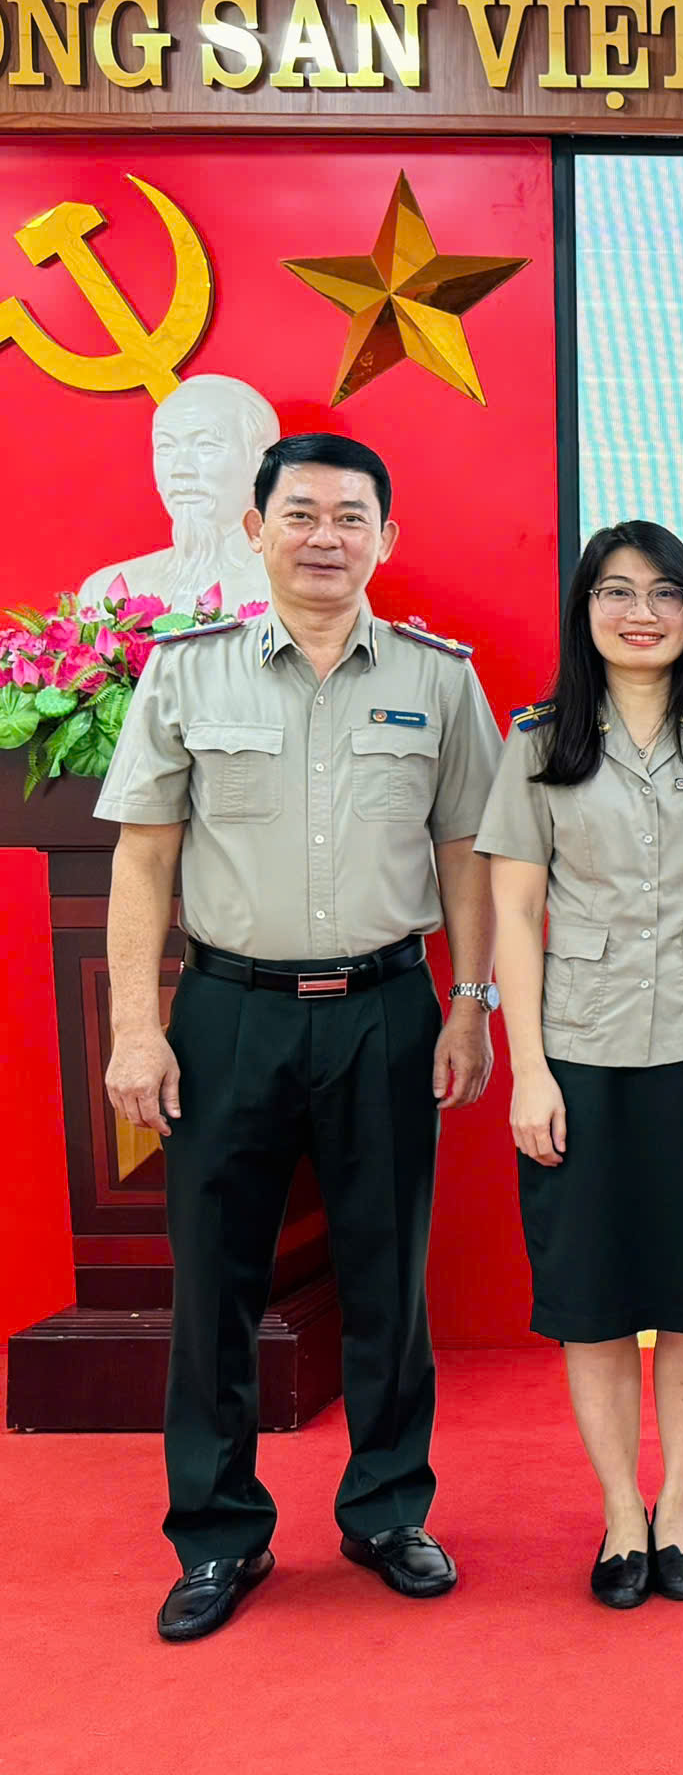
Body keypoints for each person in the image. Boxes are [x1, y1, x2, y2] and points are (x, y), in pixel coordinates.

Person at [97, 432, 502, 1643]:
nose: (326, 537)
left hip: (387, 1008)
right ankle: (218, 1532)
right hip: (230, 1014)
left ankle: (387, 1511)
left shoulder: (439, 679)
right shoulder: (186, 672)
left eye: (351, 516)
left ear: (387, 536)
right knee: (215, 1281)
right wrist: (137, 1028)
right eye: (302, 513)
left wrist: (470, 1002)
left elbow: (468, 853)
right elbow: (143, 861)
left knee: (389, 1275)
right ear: (257, 529)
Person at [477, 521, 683, 1610]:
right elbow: (515, 912)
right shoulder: (539, 741)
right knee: (594, 1295)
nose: (641, 613)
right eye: (616, 592)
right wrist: (528, 1069)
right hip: (583, 1054)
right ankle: (621, 1512)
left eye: (665, 594)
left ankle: (679, 1508)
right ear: (586, 613)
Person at [79, 374, 280, 610]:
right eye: (166, 446)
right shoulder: (106, 593)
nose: (181, 469)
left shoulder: (292, 588)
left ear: (261, 461)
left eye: (206, 445)